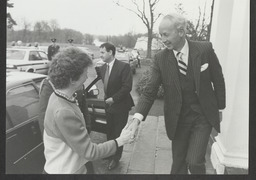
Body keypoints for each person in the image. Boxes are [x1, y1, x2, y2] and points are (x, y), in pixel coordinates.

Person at [126, 13, 226, 174]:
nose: (163, 39)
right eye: (160, 35)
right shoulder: (161, 59)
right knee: (178, 164)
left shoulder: (204, 49)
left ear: (181, 32)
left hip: (203, 116)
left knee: (194, 162)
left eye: (166, 34)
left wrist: (220, 107)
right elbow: (150, 91)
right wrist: (137, 119)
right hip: (178, 118)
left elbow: (218, 78)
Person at [43, 47, 133, 174]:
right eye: (84, 73)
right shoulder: (64, 111)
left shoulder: (57, 96)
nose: (86, 77)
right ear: (72, 80)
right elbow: (90, 152)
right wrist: (121, 140)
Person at [98, 42, 134, 170]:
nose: (100, 55)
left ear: (111, 52)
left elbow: (127, 87)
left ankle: (116, 158)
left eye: (102, 52)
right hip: (108, 105)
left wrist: (113, 99)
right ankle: (109, 153)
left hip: (121, 105)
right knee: (109, 130)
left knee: (118, 132)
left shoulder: (124, 67)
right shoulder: (102, 68)